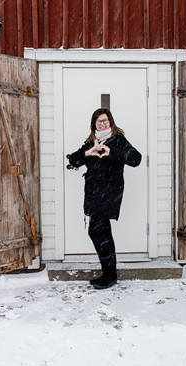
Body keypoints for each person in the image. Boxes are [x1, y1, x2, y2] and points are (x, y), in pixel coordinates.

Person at [67, 108, 142, 289]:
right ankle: (110, 274)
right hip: (94, 193)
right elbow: (74, 161)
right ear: (94, 124)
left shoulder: (118, 140)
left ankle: (109, 275)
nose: (103, 123)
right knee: (104, 233)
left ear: (111, 122)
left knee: (97, 231)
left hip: (109, 193)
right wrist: (88, 152)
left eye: (105, 120)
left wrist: (112, 152)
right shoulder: (91, 142)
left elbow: (135, 158)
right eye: (99, 121)